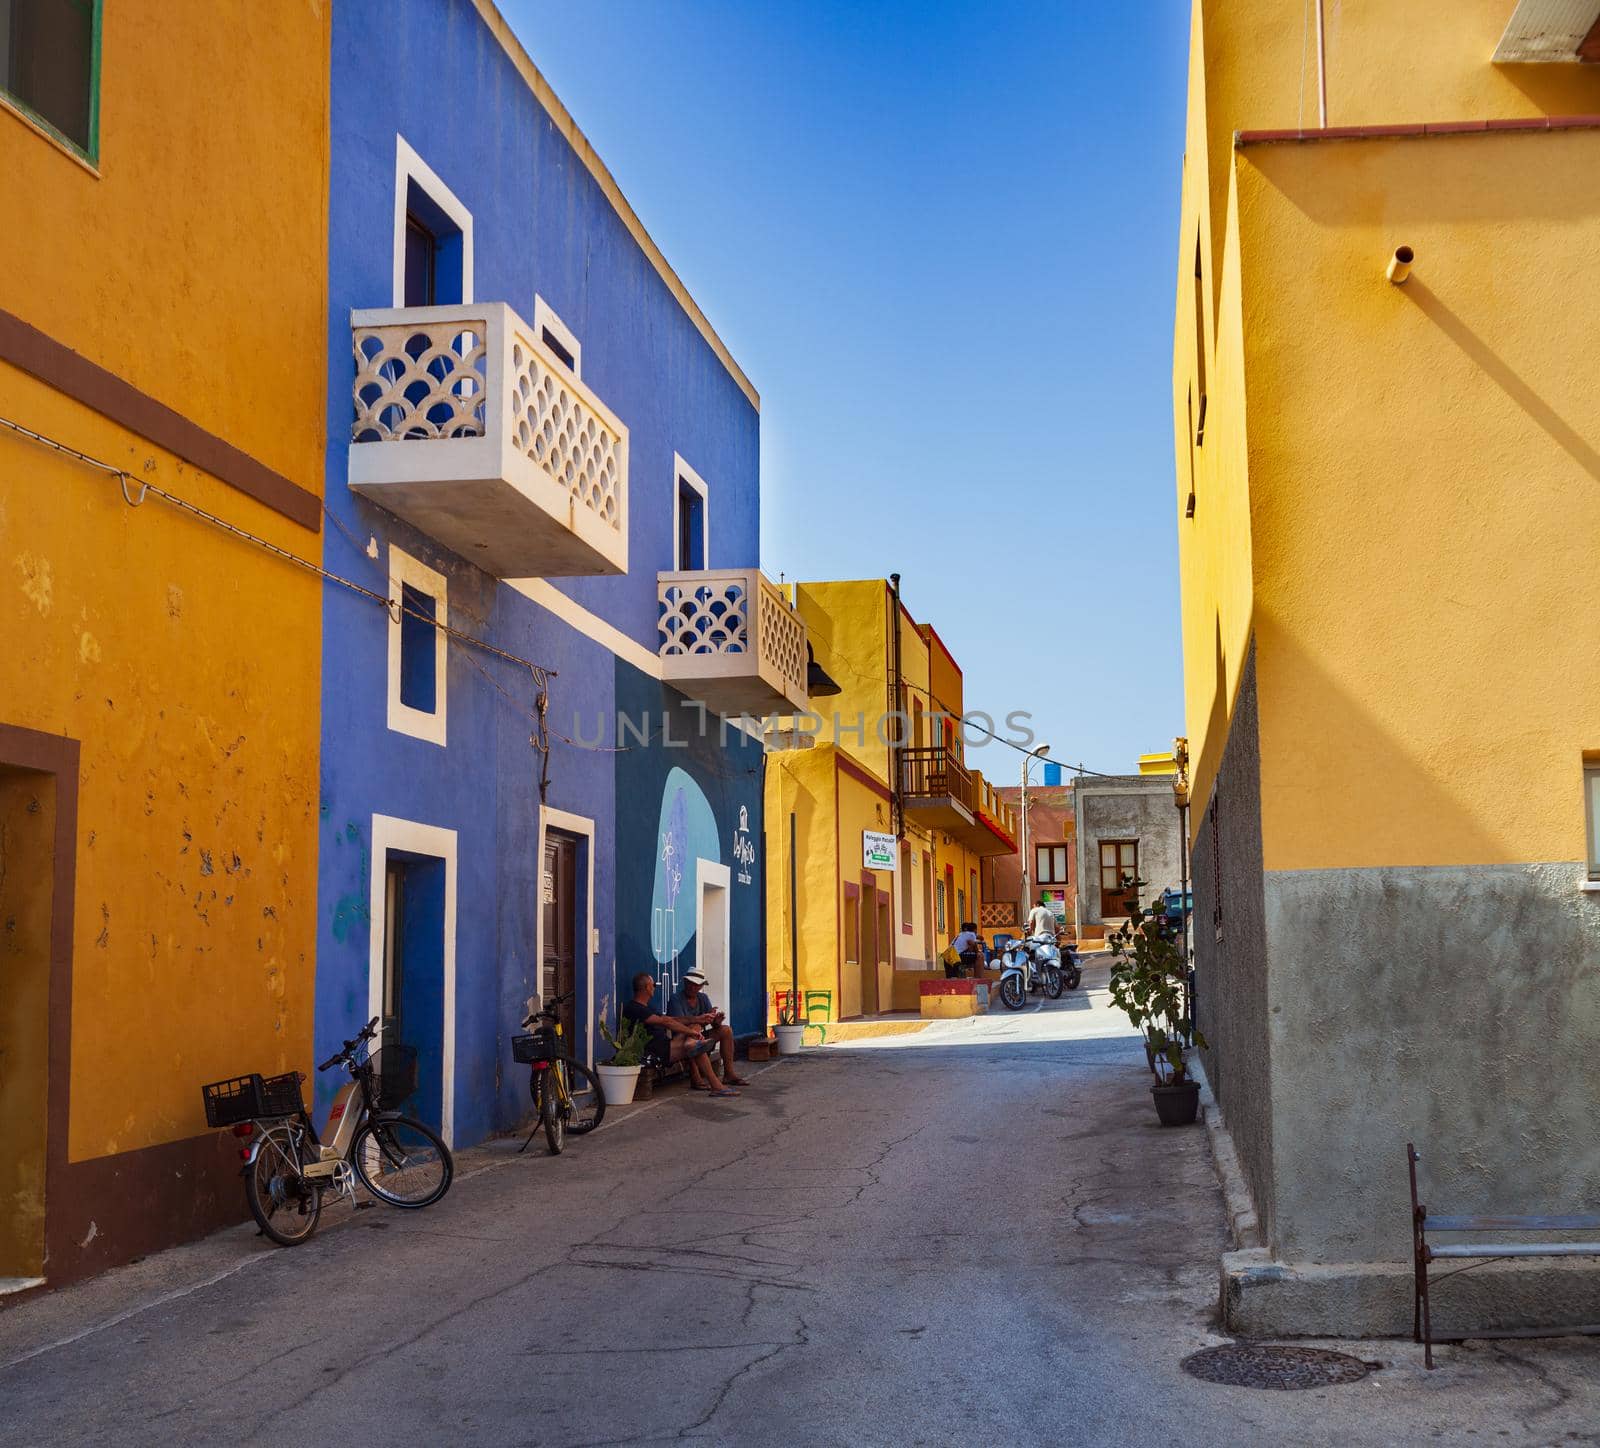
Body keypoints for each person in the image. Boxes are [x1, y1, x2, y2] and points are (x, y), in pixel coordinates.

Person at [621, 971, 737, 1097]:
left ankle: (693, 1045)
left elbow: (672, 1020)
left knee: (696, 1037)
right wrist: (692, 1030)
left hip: (666, 1046)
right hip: (657, 1052)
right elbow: (666, 1021)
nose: (654, 988)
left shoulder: (647, 1008)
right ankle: (716, 1085)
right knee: (694, 1041)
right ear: (647, 987)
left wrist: (698, 1020)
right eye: (653, 985)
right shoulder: (635, 1008)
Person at [667, 970, 748, 1087]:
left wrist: (716, 1021)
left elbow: (710, 1024)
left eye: (696, 985)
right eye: (690, 983)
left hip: (699, 1035)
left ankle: (729, 1074)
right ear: (685, 982)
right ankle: (695, 1076)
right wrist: (698, 1020)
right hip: (682, 1040)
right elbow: (677, 1023)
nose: (693, 987)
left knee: (726, 1030)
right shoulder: (676, 999)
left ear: (701, 986)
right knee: (693, 1028)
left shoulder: (703, 998)